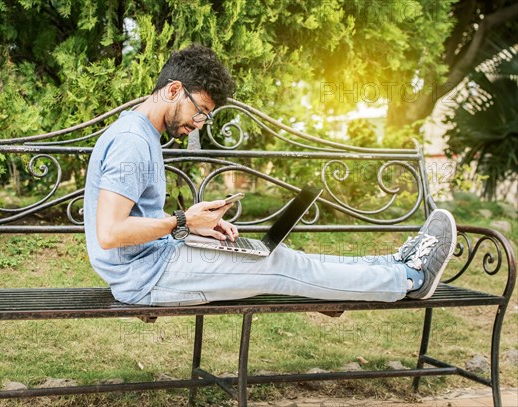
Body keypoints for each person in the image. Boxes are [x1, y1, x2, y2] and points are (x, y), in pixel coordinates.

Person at [84, 44, 457, 307]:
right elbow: (110, 233)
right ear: (174, 90)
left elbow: (136, 225)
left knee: (283, 257)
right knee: (280, 265)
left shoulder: (140, 133)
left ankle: (395, 265)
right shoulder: (133, 140)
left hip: (156, 261)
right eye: (200, 112)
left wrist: (192, 228)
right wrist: (183, 219)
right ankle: (410, 279)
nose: (197, 125)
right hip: (145, 278)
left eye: (205, 118)